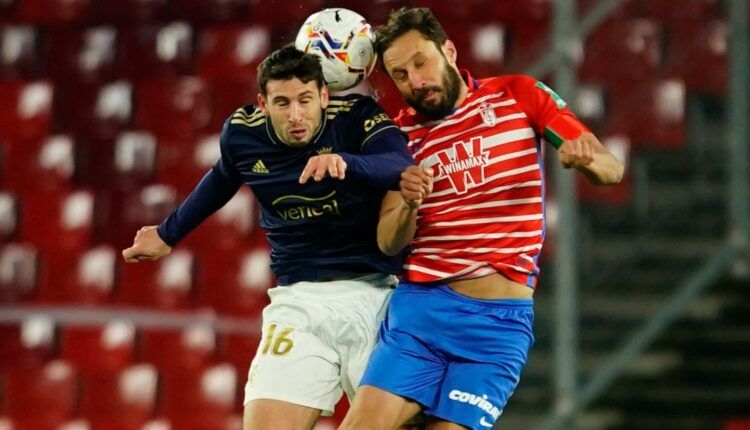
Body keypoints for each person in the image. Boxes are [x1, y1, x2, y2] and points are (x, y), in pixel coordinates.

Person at [339, 7, 625, 430]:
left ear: (449, 51)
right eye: (400, 75)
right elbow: (387, 241)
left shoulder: (520, 95)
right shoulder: (396, 139)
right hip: (422, 314)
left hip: (498, 327)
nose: (415, 81)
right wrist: (408, 203)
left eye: (421, 62)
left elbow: (611, 169)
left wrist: (584, 159)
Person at [122, 45, 416, 430]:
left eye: (305, 100)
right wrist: (167, 234)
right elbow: (223, 178)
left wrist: (346, 161)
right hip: (299, 301)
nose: (296, 115)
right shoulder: (242, 134)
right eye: (282, 102)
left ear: (324, 96)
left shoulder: (357, 118)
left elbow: (401, 164)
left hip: (376, 296)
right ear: (263, 103)